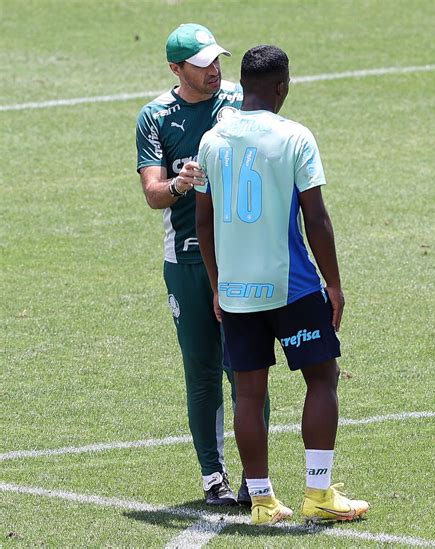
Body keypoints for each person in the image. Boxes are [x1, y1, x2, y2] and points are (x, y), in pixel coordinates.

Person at [195, 45, 369, 525]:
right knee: (322, 377)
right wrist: (333, 284)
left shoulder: (212, 140)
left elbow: (203, 220)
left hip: (235, 291)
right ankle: (318, 492)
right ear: (281, 87)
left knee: (249, 394)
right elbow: (315, 216)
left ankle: (263, 502)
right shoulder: (295, 137)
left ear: (242, 84)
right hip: (291, 286)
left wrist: (216, 284)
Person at [135, 23, 269, 507]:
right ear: (176, 69)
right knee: (202, 370)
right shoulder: (155, 117)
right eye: (202, 64)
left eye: (216, 60)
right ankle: (214, 477)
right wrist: (179, 184)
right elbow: (152, 193)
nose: (214, 70)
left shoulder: (236, 97)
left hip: (240, 255)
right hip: (188, 260)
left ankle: (259, 482)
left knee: (248, 370)